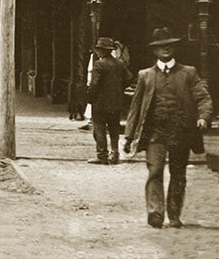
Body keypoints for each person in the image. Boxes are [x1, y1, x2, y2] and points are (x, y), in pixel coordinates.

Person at [124, 27, 212, 228]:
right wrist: (129, 136)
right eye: (160, 46)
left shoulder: (188, 73)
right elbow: (135, 108)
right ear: (154, 51)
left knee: (178, 172)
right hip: (155, 132)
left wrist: (203, 118)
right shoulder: (145, 75)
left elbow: (203, 97)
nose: (165, 49)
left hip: (180, 131)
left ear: (174, 48)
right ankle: (155, 213)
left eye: (169, 45)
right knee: (155, 170)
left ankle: (174, 215)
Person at [86, 36, 132, 164]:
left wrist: (90, 98)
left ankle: (102, 156)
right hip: (116, 102)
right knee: (114, 128)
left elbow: (94, 84)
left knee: (99, 129)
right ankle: (115, 153)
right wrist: (118, 89)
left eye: (99, 49)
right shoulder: (120, 63)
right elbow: (129, 78)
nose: (97, 51)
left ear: (102, 51)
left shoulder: (99, 64)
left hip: (100, 103)